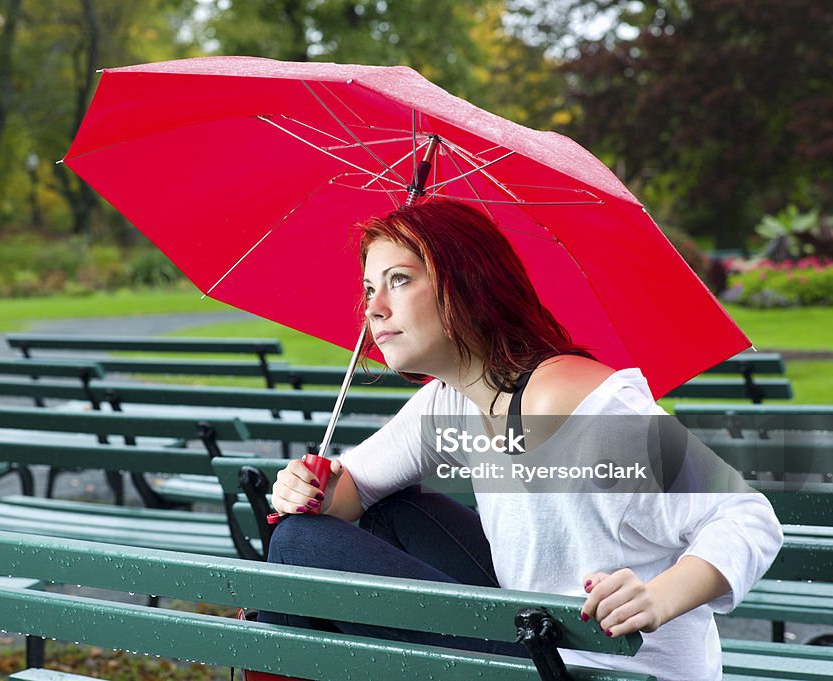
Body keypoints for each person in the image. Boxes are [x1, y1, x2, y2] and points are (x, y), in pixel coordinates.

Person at [259, 198, 783, 681]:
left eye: (399, 280)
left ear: (469, 284)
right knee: (368, 517)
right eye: (371, 288)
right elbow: (356, 491)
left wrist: (660, 596)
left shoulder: (581, 405)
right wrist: (309, 488)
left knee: (299, 542)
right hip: (540, 639)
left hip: (605, 667)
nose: (374, 308)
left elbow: (746, 517)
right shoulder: (452, 398)